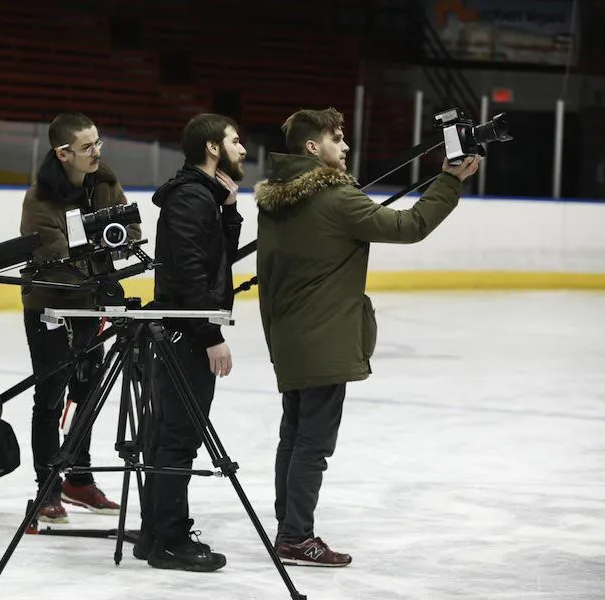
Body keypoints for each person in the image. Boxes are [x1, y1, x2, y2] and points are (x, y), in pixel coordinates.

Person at [254, 107, 481, 566]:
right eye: (337, 138)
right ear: (313, 148)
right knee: (313, 444)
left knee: (294, 437)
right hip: (323, 338)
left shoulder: (277, 200)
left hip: (290, 335)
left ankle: (288, 528)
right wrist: (450, 181)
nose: (346, 145)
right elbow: (409, 226)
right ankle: (296, 536)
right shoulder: (335, 199)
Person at [133, 113, 247, 572]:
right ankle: (170, 541)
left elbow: (219, 257)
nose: (242, 149)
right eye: (235, 142)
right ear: (213, 148)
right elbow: (190, 274)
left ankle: (155, 534)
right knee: (177, 437)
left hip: (186, 330)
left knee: (170, 435)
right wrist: (211, 335)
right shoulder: (189, 200)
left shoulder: (202, 198)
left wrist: (230, 207)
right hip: (186, 335)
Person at [19, 112, 138, 523]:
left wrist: (112, 240)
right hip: (50, 306)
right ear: (63, 153)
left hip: (92, 302)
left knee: (88, 391)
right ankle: (48, 487)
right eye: (87, 147)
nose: (96, 152)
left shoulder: (103, 181)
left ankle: (80, 480)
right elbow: (51, 256)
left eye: (98, 143)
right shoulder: (40, 197)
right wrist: (93, 248)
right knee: (50, 397)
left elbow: (131, 227)